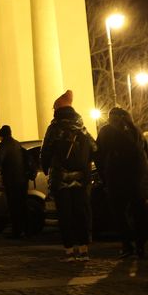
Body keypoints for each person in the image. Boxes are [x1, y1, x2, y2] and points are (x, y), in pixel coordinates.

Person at [41, 92, 95, 261]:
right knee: (81, 212)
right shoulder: (82, 128)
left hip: (61, 178)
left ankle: (70, 250)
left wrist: (45, 169)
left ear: (57, 109)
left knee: (65, 215)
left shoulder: (54, 128)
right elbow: (95, 148)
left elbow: (46, 151)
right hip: (80, 178)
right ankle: (84, 249)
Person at [96, 107, 148, 259]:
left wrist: (104, 176)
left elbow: (99, 155)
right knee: (139, 213)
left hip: (116, 178)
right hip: (137, 179)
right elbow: (146, 156)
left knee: (119, 214)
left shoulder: (106, 132)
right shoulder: (136, 131)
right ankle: (141, 246)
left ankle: (127, 245)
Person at [0, 124, 28, 239]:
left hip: (11, 179)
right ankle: (25, 230)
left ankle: (16, 231)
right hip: (22, 179)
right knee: (22, 205)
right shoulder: (17, 144)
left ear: (1, 136)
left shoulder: (4, 145)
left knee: (13, 206)